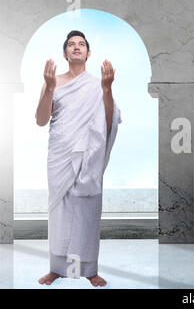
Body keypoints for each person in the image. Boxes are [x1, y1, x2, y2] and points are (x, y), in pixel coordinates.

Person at [35, 30, 122, 287]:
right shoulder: (54, 81)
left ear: (88, 52)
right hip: (60, 155)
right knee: (59, 213)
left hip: (88, 155)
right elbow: (41, 120)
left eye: (81, 44)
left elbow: (108, 123)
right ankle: (57, 269)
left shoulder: (97, 85)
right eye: (71, 44)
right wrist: (49, 87)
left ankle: (89, 270)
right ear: (64, 53)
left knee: (87, 211)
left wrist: (107, 90)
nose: (76, 47)